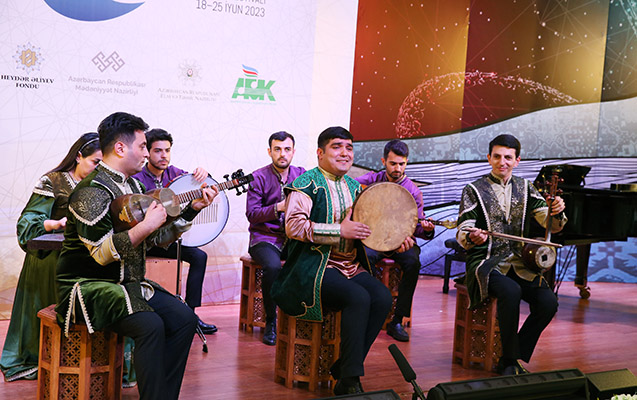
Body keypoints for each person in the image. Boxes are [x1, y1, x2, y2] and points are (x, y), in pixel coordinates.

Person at [55, 112, 218, 400]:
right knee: (151, 325)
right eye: (142, 146)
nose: (146, 153)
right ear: (120, 148)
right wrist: (145, 226)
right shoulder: (91, 191)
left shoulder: (134, 187)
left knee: (184, 319)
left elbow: (155, 239)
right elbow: (101, 254)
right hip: (88, 286)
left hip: (127, 285)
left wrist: (192, 210)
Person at [271, 127, 397, 396]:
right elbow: (293, 227)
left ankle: (345, 366)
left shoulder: (355, 187)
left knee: (382, 297)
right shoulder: (305, 184)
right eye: (337, 147)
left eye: (349, 147)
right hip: (313, 267)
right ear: (320, 153)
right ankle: (349, 380)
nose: (345, 153)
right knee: (358, 297)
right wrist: (339, 230)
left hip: (350, 265)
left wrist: (395, 237)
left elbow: (367, 227)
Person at [456, 134, 567, 376]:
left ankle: (516, 351)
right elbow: (463, 229)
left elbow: (550, 224)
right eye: (497, 156)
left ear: (517, 160)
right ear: (489, 158)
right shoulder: (474, 189)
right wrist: (473, 237)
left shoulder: (526, 188)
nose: (502, 162)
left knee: (549, 303)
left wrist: (555, 211)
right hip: (486, 262)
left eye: (508, 157)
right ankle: (508, 361)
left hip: (520, 263)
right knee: (511, 290)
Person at [0, 133, 102, 382]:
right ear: (79, 156)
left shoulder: (99, 185)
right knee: (52, 311)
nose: (98, 168)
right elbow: (28, 222)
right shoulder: (53, 181)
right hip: (50, 259)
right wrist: (54, 224)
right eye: (95, 162)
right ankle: (47, 358)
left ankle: (80, 361)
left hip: (85, 258)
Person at [131, 128, 217, 335]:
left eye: (167, 151)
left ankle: (191, 315)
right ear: (147, 152)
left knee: (199, 257)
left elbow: (206, 185)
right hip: (146, 242)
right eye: (158, 151)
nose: (164, 156)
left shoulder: (176, 174)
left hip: (169, 240)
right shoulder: (137, 178)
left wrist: (204, 175)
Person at [355, 139, 435, 342]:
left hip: (401, 241)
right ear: (384, 161)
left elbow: (418, 226)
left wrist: (427, 230)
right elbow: (350, 185)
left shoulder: (413, 191)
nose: (397, 168)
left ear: (406, 163)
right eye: (393, 163)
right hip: (374, 239)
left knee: (413, 262)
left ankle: (397, 320)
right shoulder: (372, 180)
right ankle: (367, 309)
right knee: (364, 255)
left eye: (401, 164)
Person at [246, 131, 306, 346]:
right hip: (264, 238)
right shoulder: (258, 177)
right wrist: (278, 207)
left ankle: (301, 317)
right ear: (269, 151)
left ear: (293, 152)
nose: (283, 154)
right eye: (278, 149)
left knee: (311, 260)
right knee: (272, 267)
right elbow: (252, 214)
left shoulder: (302, 175)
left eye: (287, 149)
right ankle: (271, 320)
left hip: (292, 237)